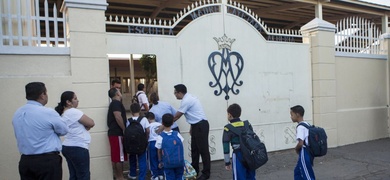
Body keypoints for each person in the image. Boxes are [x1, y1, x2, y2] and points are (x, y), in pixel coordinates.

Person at [12, 82, 69, 180]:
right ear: (42, 95)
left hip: (25, 161)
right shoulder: (47, 112)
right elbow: (63, 130)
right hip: (46, 161)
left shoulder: (18, 113)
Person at [173, 84, 211, 180]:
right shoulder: (189, 97)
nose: (175, 95)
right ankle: (194, 170)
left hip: (201, 125)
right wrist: (191, 127)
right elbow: (193, 114)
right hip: (196, 125)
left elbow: (177, 116)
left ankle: (206, 173)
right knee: (194, 149)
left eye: (175, 93)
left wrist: (164, 125)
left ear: (180, 93)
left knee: (203, 150)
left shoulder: (186, 100)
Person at [55, 91, 95, 180]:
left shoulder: (63, 113)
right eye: (75, 99)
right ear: (68, 102)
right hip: (78, 147)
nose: (77, 101)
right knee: (83, 175)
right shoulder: (73, 112)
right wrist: (86, 126)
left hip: (68, 146)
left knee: (74, 175)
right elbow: (91, 122)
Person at [222, 103, 256, 179]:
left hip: (238, 155)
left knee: (239, 177)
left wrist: (227, 162)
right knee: (251, 176)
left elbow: (225, 146)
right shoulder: (247, 124)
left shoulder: (228, 128)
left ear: (230, 115)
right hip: (250, 154)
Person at [156, 113, 185, 180]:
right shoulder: (177, 134)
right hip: (179, 162)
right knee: (179, 177)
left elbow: (159, 151)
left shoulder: (160, 137)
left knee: (169, 177)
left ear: (162, 123)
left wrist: (160, 161)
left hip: (168, 163)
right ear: (172, 123)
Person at [290, 105, 316, 180]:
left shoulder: (300, 127)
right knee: (297, 172)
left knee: (307, 175)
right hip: (310, 151)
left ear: (297, 114)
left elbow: (301, 143)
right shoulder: (307, 124)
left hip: (305, 152)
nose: (291, 117)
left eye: (292, 114)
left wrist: (296, 149)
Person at [107, 87, 127, 180]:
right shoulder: (116, 103)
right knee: (119, 157)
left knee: (116, 156)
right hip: (117, 133)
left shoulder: (114, 104)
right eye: (119, 90)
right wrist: (124, 129)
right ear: (117, 94)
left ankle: (118, 176)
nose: (120, 91)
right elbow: (118, 116)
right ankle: (120, 177)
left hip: (113, 133)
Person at [127, 103, 150, 180]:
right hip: (141, 143)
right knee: (142, 160)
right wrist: (146, 139)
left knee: (132, 158)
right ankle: (142, 177)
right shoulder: (144, 119)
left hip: (131, 144)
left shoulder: (128, 121)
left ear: (131, 111)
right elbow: (147, 130)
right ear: (140, 110)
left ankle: (133, 174)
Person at [145, 112, 164, 180]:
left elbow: (147, 134)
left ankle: (155, 175)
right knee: (160, 158)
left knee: (152, 159)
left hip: (152, 142)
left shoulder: (148, 125)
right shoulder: (160, 124)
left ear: (148, 119)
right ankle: (161, 173)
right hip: (160, 142)